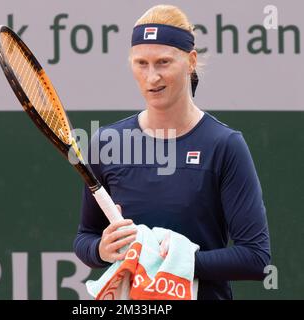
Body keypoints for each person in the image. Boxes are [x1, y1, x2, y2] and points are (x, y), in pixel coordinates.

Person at [73, 4, 271, 300]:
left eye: (163, 62)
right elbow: (85, 237)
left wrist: (176, 263)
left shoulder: (225, 145)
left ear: (190, 61)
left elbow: (256, 257)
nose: (152, 77)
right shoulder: (107, 142)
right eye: (141, 63)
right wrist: (101, 249)